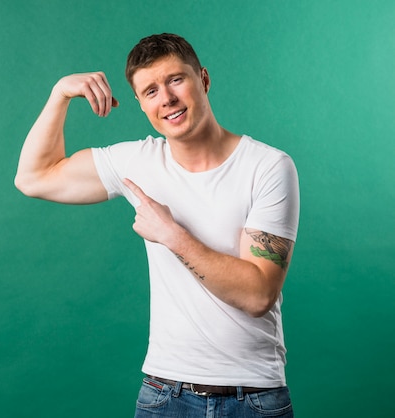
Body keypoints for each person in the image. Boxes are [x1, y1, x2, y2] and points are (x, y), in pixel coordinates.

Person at [15, 33, 299, 418]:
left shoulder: (267, 167)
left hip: (253, 397)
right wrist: (59, 95)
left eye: (176, 80)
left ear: (204, 79)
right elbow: (34, 177)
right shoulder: (138, 164)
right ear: (141, 104)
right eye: (150, 91)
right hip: (165, 396)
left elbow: (257, 294)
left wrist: (172, 235)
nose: (166, 98)